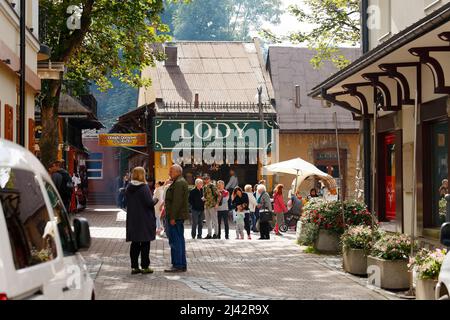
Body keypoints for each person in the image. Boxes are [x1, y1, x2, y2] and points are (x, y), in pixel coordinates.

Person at [125, 167, 156, 275]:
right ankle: (145, 266)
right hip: (144, 219)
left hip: (133, 219)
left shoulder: (128, 187)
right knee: (145, 243)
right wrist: (155, 199)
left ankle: (134, 267)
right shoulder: (144, 187)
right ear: (142, 175)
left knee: (135, 243)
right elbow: (149, 203)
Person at [164, 164, 189, 272]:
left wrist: (172, 217)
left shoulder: (179, 183)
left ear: (178, 172)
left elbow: (176, 202)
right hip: (177, 216)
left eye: (171, 171)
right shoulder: (179, 182)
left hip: (175, 217)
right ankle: (181, 264)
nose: (169, 173)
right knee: (179, 240)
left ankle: (178, 264)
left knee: (175, 241)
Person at [202, 174, 220, 239]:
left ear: (209, 179)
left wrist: (217, 204)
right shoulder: (204, 187)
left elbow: (219, 195)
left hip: (212, 205)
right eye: (205, 179)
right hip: (206, 205)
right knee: (208, 221)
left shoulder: (212, 186)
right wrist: (204, 198)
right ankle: (209, 234)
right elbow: (205, 196)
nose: (206, 180)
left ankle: (216, 234)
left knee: (215, 221)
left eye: (207, 179)